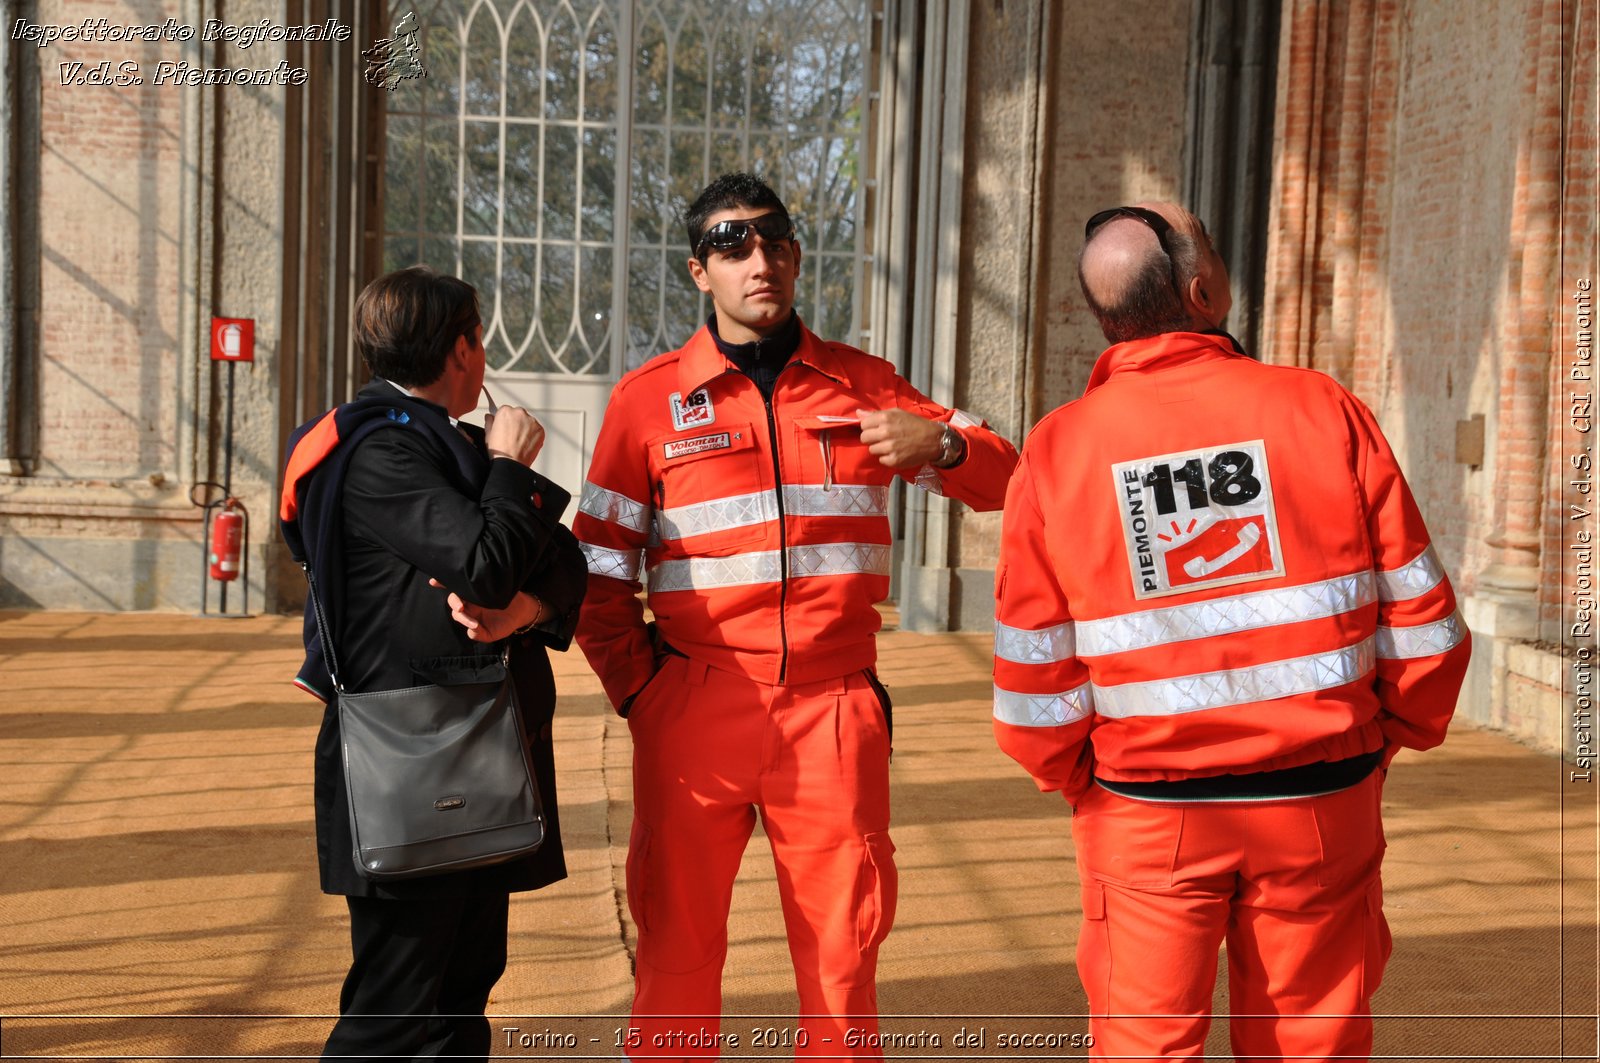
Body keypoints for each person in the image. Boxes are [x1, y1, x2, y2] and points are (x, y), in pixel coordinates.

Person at [991, 202, 1470, 1060]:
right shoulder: (1324, 409)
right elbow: (1424, 627)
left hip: (1147, 816)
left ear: (1108, 320)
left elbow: (1032, 682)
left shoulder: (1057, 451)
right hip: (1322, 801)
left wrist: (1090, 783)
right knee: (1309, 1045)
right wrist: (1378, 741)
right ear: (1202, 288)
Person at [572, 172, 1019, 1057]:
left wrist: (948, 442)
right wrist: (645, 695)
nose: (759, 260)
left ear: (797, 256)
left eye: (775, 241)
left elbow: (1012, 476)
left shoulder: (864, 386)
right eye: (733, 245)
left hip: (832, 712)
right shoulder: (647, 401)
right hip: (695, 704)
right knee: (676, 953)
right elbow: (597, 570)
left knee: (842, 964)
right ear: (699, 270)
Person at [278, 265, 587, 1061]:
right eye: (478, 339)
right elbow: (488, 558)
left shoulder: (446, 444)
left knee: (465, 985)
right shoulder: (377, 450)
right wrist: (512, 467)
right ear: (462, 348)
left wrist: (530, 606)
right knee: (393, 1004)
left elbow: (563, 560)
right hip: (409, 761)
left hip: (476, 751)